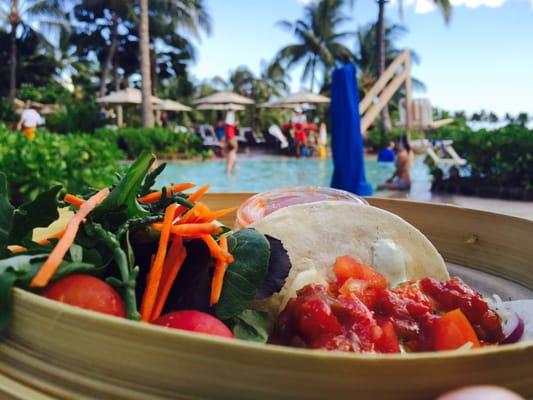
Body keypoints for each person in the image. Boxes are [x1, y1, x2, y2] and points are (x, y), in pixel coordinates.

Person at [224, 108, 238, 173]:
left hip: (230, 138)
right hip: (230, 138)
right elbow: (229, 125)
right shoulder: (229, 117)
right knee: (232, 154)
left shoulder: (229, 122)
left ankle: (231, 170)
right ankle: (230, 170)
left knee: (231, 157)